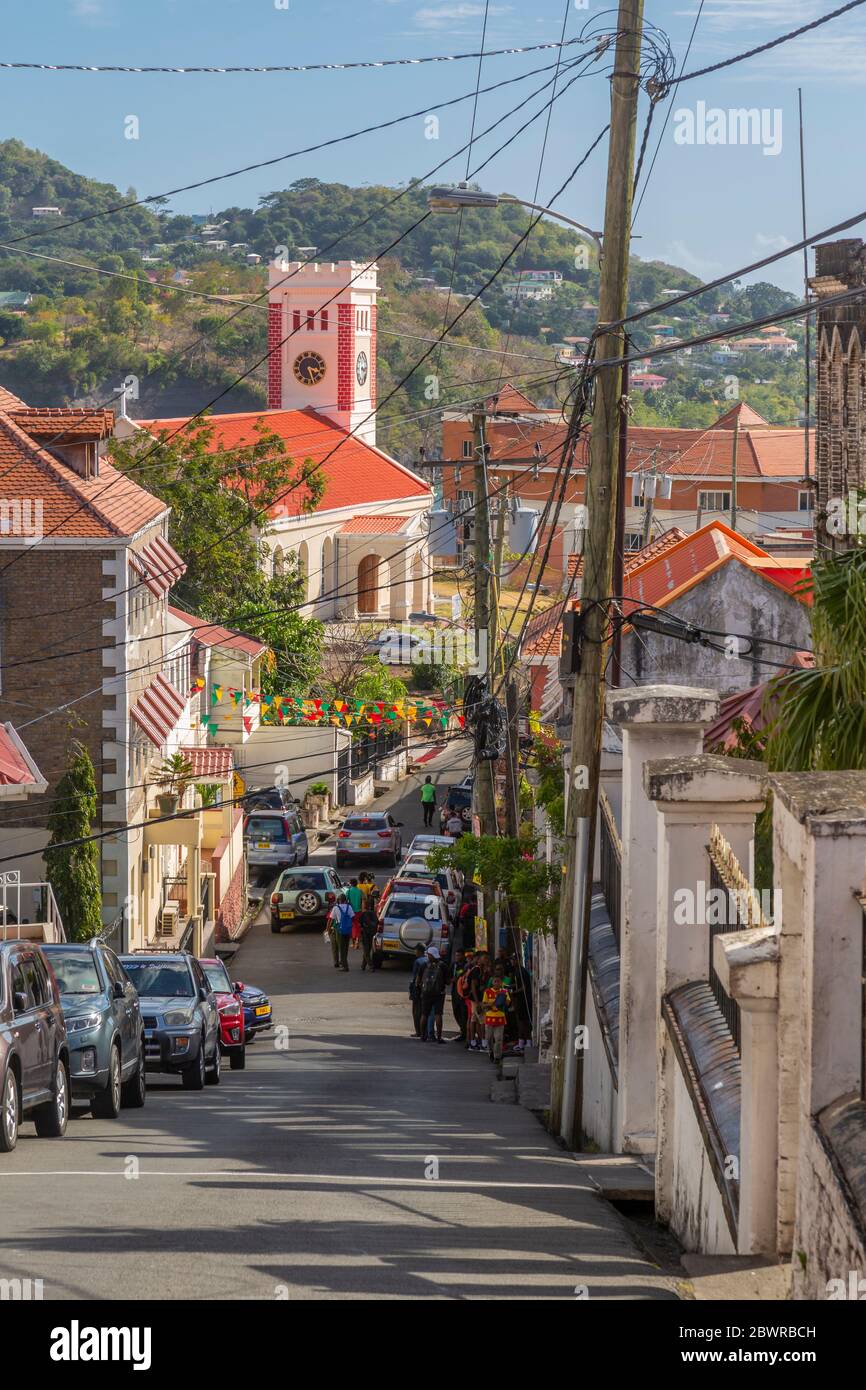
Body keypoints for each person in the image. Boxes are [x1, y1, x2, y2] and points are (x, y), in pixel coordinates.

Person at [481, 962, 512, 1065]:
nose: (497, 983)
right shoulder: (487, 992)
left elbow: (508, 1003)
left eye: (499, 982)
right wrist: (492, 1002)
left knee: (498, 1039)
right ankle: (490, 1052)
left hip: (500, 1019)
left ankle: (497, 1056)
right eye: (495, 981)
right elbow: (483, 1005)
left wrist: (502, 997)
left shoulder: (504, 992)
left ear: (501, 982)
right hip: (489, 1019)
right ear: (492, 982)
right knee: (489, 1038)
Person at [419, 945, 448, 1044]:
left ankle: (423, 1036)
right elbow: (448, 981)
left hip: (426, 993)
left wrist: (422, 989)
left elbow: (418, 980)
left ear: (430, 955)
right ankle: (439, 1037)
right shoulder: (443, 965)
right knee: (438, 1014)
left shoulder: (424, 965)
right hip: (439, 994)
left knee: (424, 1014)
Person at [327, 892, 355, 972]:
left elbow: (331, 919)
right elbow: (353, 917)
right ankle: (343, 962)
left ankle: (345, 966)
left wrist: (328, 929)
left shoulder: (336, 908)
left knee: (341, 947)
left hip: (339, 929)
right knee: (345, 947)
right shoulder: (349, 907)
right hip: (348, 929)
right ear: (345, 900)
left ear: (339, 900)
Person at [408, 944, 427, 1037]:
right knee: (424, 1011)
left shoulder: (418, 961)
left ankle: (418, 1031)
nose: (415, 952)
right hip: (427, 989)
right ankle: (425, 1031)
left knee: (416, 1011)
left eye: (416, 950)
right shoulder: (428, 960)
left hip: (417, 989)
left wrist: (413, 990)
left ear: (419, 951)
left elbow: (415, 977)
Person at [450, 949, 469, 1042]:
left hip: (462, 992)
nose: (457, 957)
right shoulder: (454, 965)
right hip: (454, 991)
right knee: (456, 1011)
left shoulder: (465, 966)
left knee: (463, 1013)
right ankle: (462, 1030)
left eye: (459, 955)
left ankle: (464, 1033)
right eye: (456, 955)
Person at [359, 899, 378, 972]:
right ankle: (363, 965)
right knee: (368, 949)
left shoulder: (363, 914)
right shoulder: (373, 913)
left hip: (365, 934)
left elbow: (360, 925)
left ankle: (371, 966)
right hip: (372, 934)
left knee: (366, 951)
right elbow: (377, 922)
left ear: (364, 906)